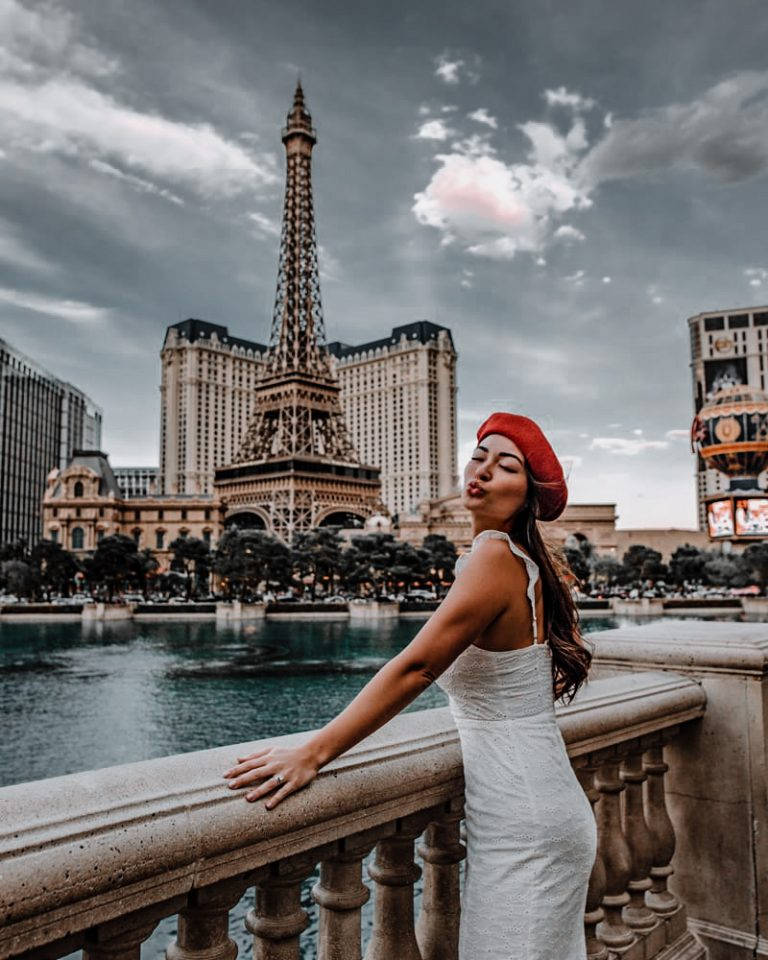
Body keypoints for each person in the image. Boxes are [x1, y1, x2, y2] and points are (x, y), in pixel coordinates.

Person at [223, 411, 597, 959]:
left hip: (526, 824)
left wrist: (314, 751)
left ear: (528, 495)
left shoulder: (493, 558)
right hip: (535, 807)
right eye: (479, 456)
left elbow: (415, 668)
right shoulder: (517, 562)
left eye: (506, 465)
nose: (484, 470)